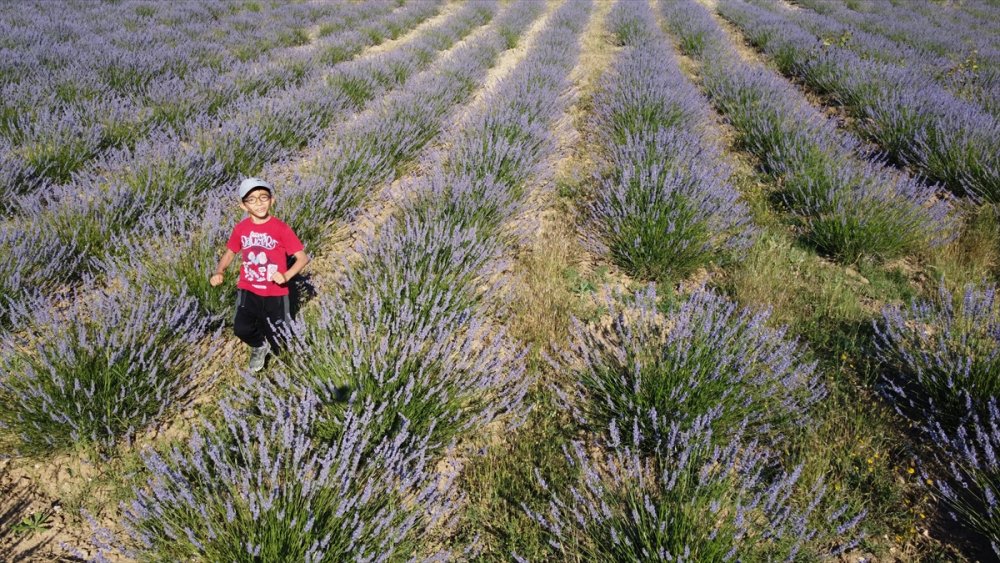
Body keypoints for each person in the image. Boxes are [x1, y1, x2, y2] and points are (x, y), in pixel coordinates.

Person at [210, 177, 309, 372]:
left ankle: (284, 363)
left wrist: (286, 276)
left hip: (276, 291)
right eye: (252, 199)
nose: (259, 203)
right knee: (241, 328)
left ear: (272, 200)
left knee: (280, 337)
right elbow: (230, 253)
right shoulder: (241, 229)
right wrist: (219, 271)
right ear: (243, 205)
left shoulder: (281, 228)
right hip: (248, 288)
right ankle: (259, 345)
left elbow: (302, 258)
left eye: (264, 197)